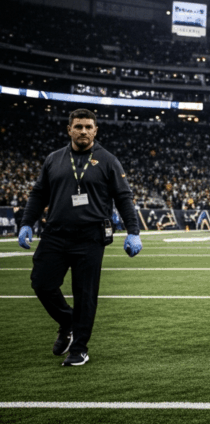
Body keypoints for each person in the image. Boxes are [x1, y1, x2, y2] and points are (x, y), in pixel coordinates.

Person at [18, 108, 142, 367]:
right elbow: (39, 193)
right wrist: (26, 223)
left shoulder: (108, 160)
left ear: (96, 130)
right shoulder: (54, 159)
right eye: (78, 126)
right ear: (69, 130)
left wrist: (133, 232)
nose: (83, 131)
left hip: (90, 236)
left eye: (88, 127)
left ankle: (79, 348)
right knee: (41, 283)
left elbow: (124, 197)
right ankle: (67, 322)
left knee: (85, 294)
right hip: (55, 234)